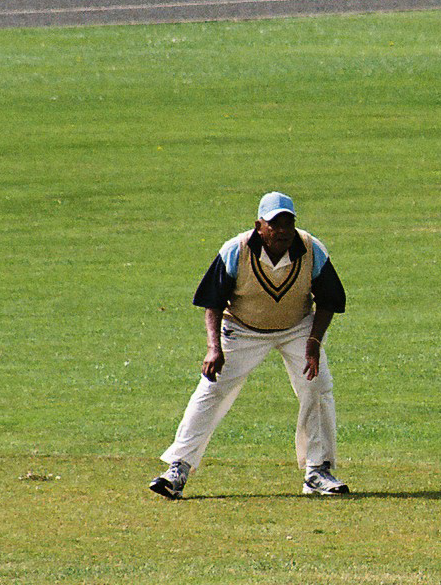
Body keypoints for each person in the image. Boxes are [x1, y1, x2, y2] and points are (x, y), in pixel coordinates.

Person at [149, 192, 349, 499]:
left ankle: (317, 470)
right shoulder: (235, 250)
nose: (282, 230)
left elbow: (330, 300)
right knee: (211, 389)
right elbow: (213, 303)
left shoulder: (311, 249)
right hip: (242, 328)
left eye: (288, 222)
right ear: (259, 225)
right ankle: (178, 468)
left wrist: (313, 342)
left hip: (297, 327)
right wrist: (213, 347)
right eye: (274, 223)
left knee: (317, 386)